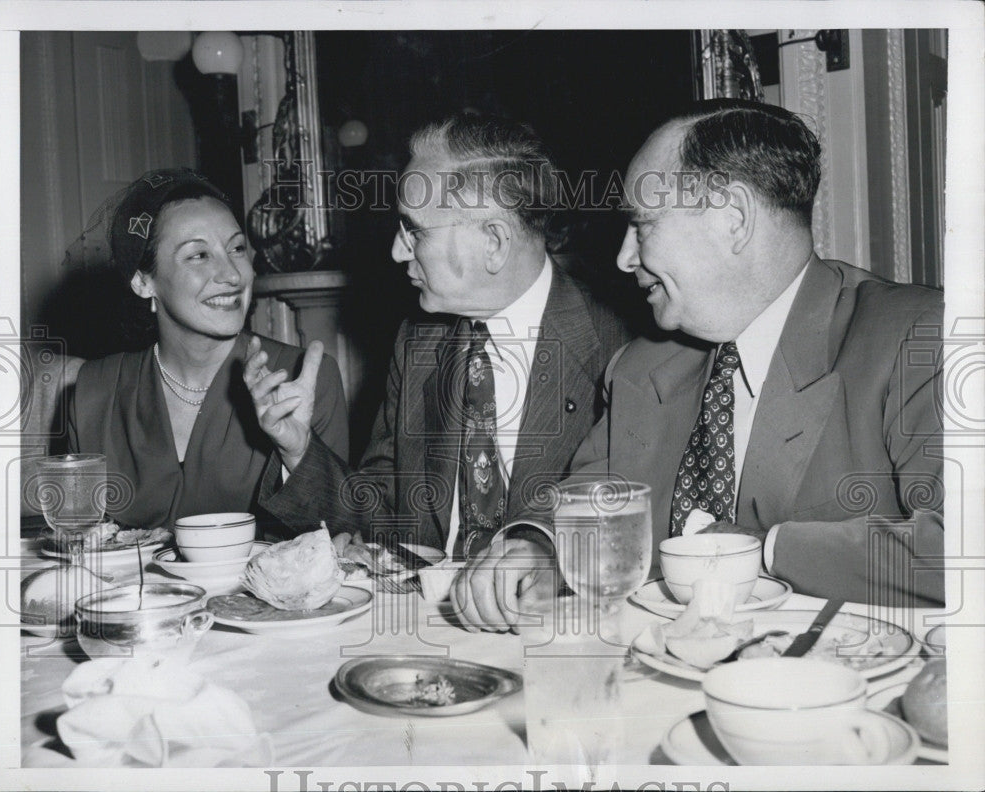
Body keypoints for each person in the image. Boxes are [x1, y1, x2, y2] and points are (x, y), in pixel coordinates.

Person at [454, 99, 944, 631]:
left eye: (642, 225)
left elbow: (962, 544)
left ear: (733, 219)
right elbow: (590, 506)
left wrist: (764, 550)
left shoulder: (916, 336)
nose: (624, 258)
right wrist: (543, 549)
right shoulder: (641, 367)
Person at [245, 113, 629, 559]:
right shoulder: (420, 342)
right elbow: (385, 520)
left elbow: (624, 536)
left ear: (494, 243)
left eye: (415, 230)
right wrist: (298, 449)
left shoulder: (617, 345)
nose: (396, 250)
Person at [67, 168, 349, 530]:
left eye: (236, 248)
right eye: (199, 255)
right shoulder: (95, 392)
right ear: (143, 281)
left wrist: (298, 453)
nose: (232, 274)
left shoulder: (301, 379)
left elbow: (343, 541)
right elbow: (80, 541)